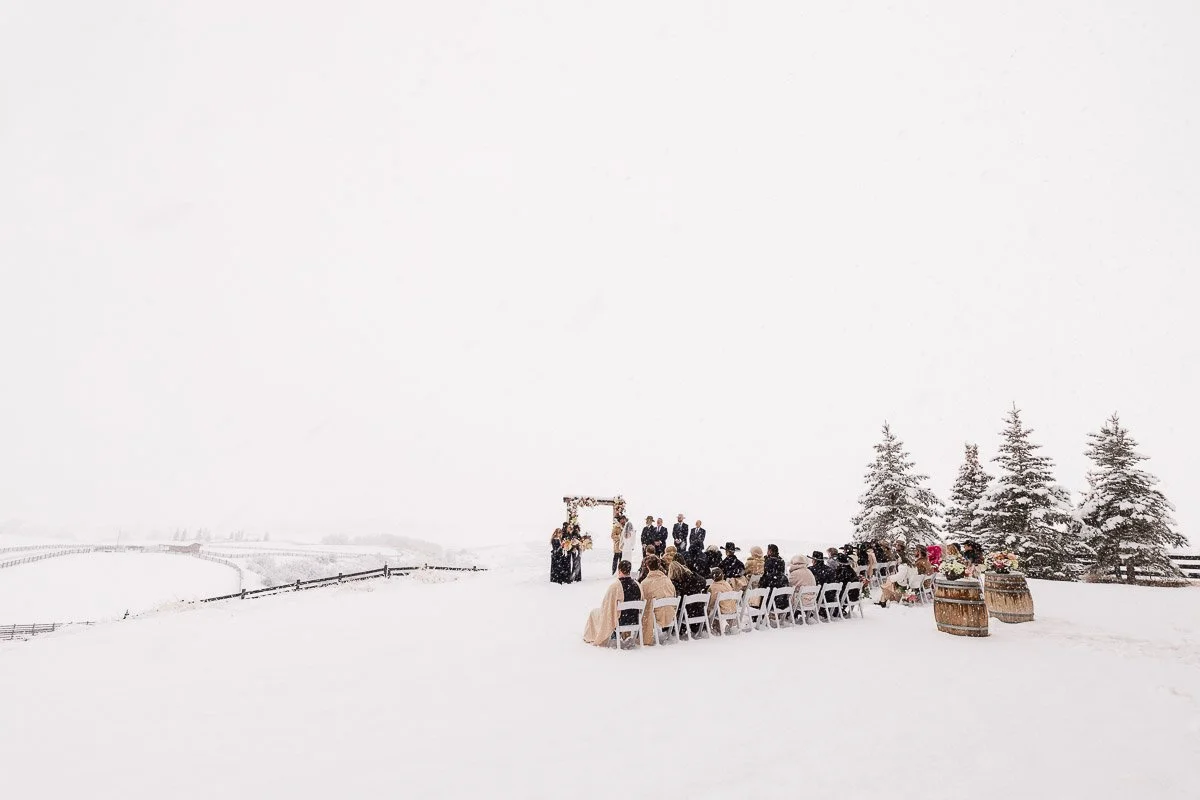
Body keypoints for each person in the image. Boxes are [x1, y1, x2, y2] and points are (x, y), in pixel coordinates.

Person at [583, 560, 642, 646]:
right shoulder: (637, 585)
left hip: (620, 620)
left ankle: (593, 636)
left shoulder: (615, 587)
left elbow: (606, 606)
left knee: (594, 613)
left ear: (619, 570)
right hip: (634, 618)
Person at [639, 556, 677, 645]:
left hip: (657, 616)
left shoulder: (645, 583)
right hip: (671, 613)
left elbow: (643, 601)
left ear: (647, 567)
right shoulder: (667, 580)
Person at [668, 560, 708, 637]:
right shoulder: (693, 579)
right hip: (699, 611)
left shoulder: (676, 584)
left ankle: (674, 632)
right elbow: (703, 583)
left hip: (687, 613)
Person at [707, 568, 738, 634]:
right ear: (722, 576)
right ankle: (732, 626)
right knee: (722, 604)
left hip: (722, 610)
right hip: (732, 609)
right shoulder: (727, 584)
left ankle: (716, 628)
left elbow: (712, 601)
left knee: (713, 608)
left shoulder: (713, 587)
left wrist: (708, 608)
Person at [759, 544, 790, 610]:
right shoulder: (783, 578)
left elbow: (763, 582)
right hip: (781, 603)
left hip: (769, 603)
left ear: (770, 551)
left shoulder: (768, 577)